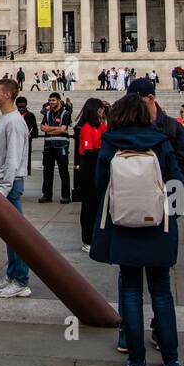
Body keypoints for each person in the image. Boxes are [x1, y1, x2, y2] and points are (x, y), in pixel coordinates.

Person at [90, 92, 184, 366]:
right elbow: (178, 182)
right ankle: (171, 360)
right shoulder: (161, 141)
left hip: (123, 225)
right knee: (161, 292)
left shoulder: (110, 142)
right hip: (158, 226)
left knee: (130, 291)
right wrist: (171, 215)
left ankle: (136, 360)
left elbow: (99, 185)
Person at [0, 78, 32, 298]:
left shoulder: (14, 122)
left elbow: (13, 159)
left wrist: (3, 189)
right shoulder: (7, 119)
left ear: (7, 95)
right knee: (11, 235)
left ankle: (21, 280)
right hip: (5, 183)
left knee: (17, 235)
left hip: (10, 185)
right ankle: (13, 275)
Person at [75, 98, 108, 253]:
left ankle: (95, 237)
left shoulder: (99, 127)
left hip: (97, 167)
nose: (102, 112)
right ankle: (87, 239)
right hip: (88, 168)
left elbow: (110, 133)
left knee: (97, 205)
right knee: (88, 205)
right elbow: (88, 151)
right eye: (100, 110)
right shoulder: (87, 128)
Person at [38, 92, 73, 204]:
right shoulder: (47, 113)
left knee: (63, 171)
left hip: (61, 145)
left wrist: (50, 128)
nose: (51, 102)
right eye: (50, 100)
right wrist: (54, 129)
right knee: (47, 170)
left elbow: (63, 129)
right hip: (48, 146)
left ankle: (66, 196)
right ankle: (47, 195)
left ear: (58, 100)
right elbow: (42, 128)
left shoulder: (65, 113)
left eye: (53, 100)